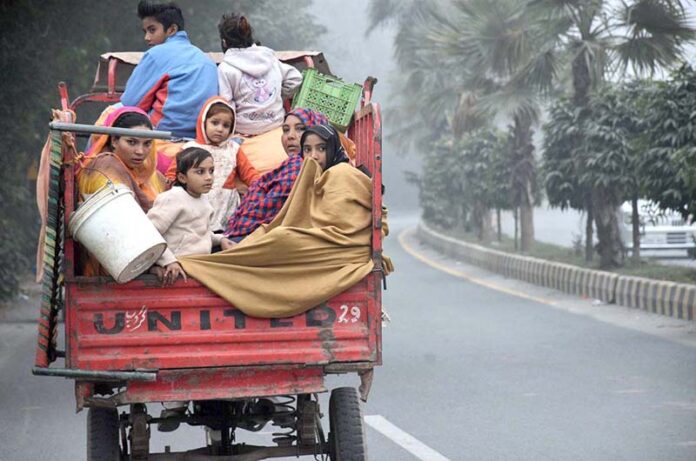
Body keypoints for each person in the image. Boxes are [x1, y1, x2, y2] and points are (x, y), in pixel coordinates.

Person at [121, 1, 218, 172]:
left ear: (171, 30)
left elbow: (131, 104)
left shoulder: (156, 54)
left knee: (111, 112)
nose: (147, 38)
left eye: (152, 30)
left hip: (162, 136)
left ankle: (86, 172)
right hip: (197, 139)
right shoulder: (207, 61)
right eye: (145, 32)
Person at [77, 107, 166, 276]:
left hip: (153, 257)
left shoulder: (151, 174)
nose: (140, 151)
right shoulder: (104, 167)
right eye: (131, 142)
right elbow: (123, 227)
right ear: (114, 141)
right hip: (112, 267)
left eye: (147, 144)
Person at [224, 108, 329, 240]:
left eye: (300, 128)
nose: (290, 136)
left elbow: (265, 211)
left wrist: (230, 235)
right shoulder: (288, 166)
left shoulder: (301, 168)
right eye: (285, 130)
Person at [216, 13, 303, 174]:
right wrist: (278, 95)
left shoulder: (225, 69)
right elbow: (296, 78)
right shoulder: (270, 60)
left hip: (244, 131)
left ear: (224, 42)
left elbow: (226, 106)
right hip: (275, 126)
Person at [164, 97, 260, 232]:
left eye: (226, 125)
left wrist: (262, 186)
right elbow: (175, 171)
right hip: (195, 199)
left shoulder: (234, 148)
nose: (220, 129)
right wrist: (170, 180)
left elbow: (248, 173)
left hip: (225, 203)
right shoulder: (189, 148)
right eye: (215, 123)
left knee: (223, 235)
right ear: (203, 122)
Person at [148, 147, 235, 286]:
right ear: (182, 177)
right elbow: (149, 234)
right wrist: (169, 261)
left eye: (211, 171)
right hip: (179, 263)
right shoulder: (173, 198)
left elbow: (200, 232)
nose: (208, 177)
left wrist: (221, 239)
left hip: (199, 262)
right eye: (200, 172)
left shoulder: (203, 199)